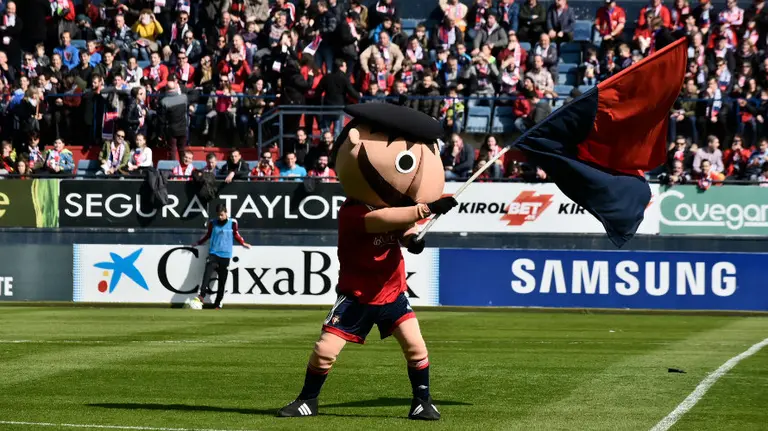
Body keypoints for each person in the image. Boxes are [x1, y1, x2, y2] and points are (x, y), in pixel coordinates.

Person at [277, 103, 459, 421]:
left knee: (416, 347)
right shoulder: (352, 212)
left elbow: (401, 231)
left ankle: (423, 401)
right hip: (356, 296)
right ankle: (308, 399)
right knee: (325, 351)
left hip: (391, 293)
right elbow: (382, 220)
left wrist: (412, 240)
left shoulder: (394, 211)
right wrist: (425, 209)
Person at [190, 204, 251, 309]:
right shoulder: (212, 223)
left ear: (226, 213)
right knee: (207, 274)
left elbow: (236, 234)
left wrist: (243, 243)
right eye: (218, 215)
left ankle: (218, 303)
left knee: (222, 280)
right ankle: (201, 296)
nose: (220, 217)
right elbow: (208, 235)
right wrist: (199, 242)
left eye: (222, 215)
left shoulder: (233, 223)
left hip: (225, 255)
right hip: (213, 253)